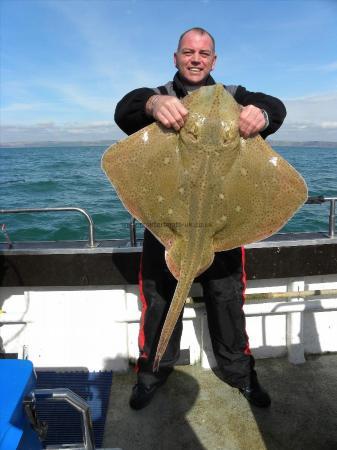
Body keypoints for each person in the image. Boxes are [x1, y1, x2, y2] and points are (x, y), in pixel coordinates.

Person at [114, 27, 287, 410]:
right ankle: (152, 372)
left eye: (204, 53)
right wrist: (152, 105)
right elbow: (124, 109)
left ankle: (240, 374)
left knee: (227, 299)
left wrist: (263, 113)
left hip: (223, 227)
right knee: (159, 301)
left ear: (214, 60)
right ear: (175, 57)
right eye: (188, 52)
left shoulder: (237, 97)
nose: (196, 58)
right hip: (166, 226)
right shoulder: (161, 95)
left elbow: (275, 107)